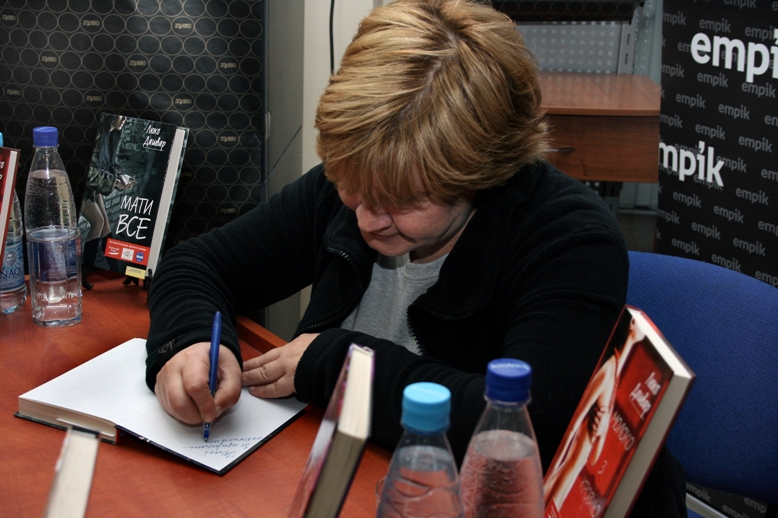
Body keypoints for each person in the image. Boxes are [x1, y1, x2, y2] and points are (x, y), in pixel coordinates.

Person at [145, 1, 686, 515]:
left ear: (481, 174)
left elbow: (527, 429)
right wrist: (190, 341)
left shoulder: (569, 238)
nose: (366, 219)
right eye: (353, 186)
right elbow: (197, 265)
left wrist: (342, 365)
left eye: (402, 201)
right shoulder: (365, 177)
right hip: (350, 480)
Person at [544, 315, 645, 512]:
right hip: (565, 472)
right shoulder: (608, 369)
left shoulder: (616, 376)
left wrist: (603, 428)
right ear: (632, 323)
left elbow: (593, 458)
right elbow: (575, 423)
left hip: (576, 472)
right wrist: (551, 472)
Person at [81, 114, 135, 286]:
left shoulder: (111, 134)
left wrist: (122, 176)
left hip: (93, 188)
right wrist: (115, 182)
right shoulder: (97, 134)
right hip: (83, 187)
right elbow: (89, 173)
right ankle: (84, 272)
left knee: (105, 227)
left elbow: (109, 164)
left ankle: (118, 269)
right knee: (98, 222)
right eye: (122, 117)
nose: (124, 120)